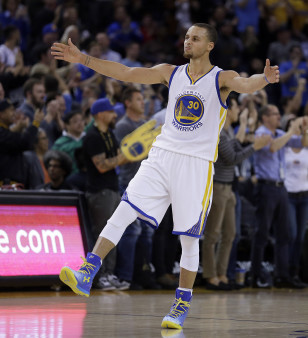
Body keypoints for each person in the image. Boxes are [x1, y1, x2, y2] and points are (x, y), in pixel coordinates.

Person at [51, 23, 280, 330]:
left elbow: (246, 83)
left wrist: (263, 80)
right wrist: (85, 60)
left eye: (195, 38)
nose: (188, 41)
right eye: (186, 36)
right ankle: (88, 270)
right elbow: (127, 73)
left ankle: (181, 303)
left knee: (188, 238)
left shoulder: (220, 78)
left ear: (210, 45)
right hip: (161, 156)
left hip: (196, 165)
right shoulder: (170, 72)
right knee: (124, 210)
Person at [202, 96, 271, 291]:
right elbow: (233, 158)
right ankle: (210, 275)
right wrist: (254, 147)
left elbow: (238, 148)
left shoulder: (228, 131)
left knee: (230, 233)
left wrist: (245, 131)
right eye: (235, 108)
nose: (238, 111)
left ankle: (222, 274)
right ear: (226, 110)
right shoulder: (218, 133)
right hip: (217, 187)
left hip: (229, 188)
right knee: (213, 234)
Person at [250, 104, 308, 289]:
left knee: (285, 234)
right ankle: (256, 274)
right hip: (266, 187)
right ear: (265, 117)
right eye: (275, 113)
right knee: (262, 233)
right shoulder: (261, 133)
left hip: (281, 188)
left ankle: (283, 275)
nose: (278, 116)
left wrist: (304, 132)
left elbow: (302, 144)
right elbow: (273, 147)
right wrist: (291, 131)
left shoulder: (280, 132)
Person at [82, 98, 129, 291]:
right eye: (111, 112)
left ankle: (109, 274)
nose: (115, 115)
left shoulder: (110, 133)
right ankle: (99, 276)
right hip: (99, 192)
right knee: (102, 234)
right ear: (100, 114)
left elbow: (118, 158)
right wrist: (126, 156)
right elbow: (101, 166)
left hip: (112, 189)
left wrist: (127, 156)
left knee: (113, 234)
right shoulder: (92, 136)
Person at [0, 98, 44, 189]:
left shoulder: (5, 131)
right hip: (6, 186)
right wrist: (36, 123)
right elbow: (25, 143)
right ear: (1, 114)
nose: (14, 113)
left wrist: (20, 127)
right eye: (11, 110)